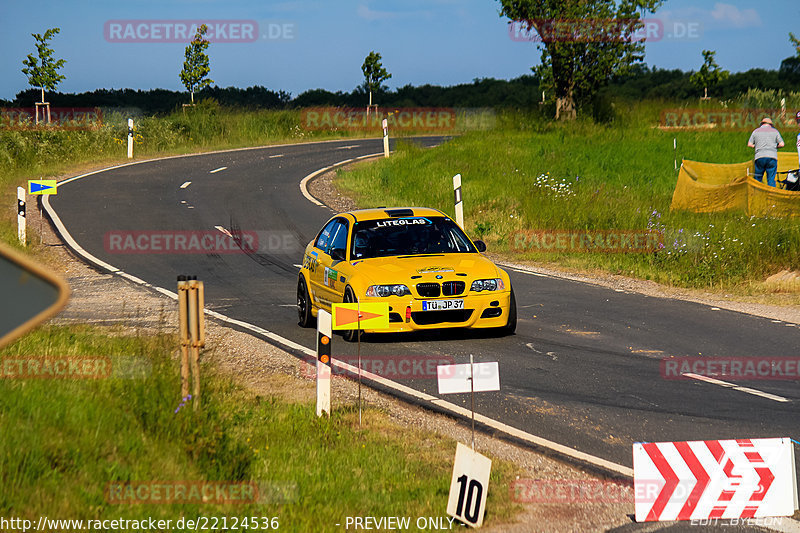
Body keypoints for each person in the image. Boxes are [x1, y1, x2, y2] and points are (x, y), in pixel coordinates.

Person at [747, 117, 784, 187]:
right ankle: (772, 195)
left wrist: (757, 146)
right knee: (771, 179)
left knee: (758, 178)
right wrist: (774, 146)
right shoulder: (775, 131)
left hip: (759, 157)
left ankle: (757, 195)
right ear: (771, 125)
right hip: (772, 157)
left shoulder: (756, 131)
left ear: (761, 124)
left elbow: (749, 144)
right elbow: (782, 144)